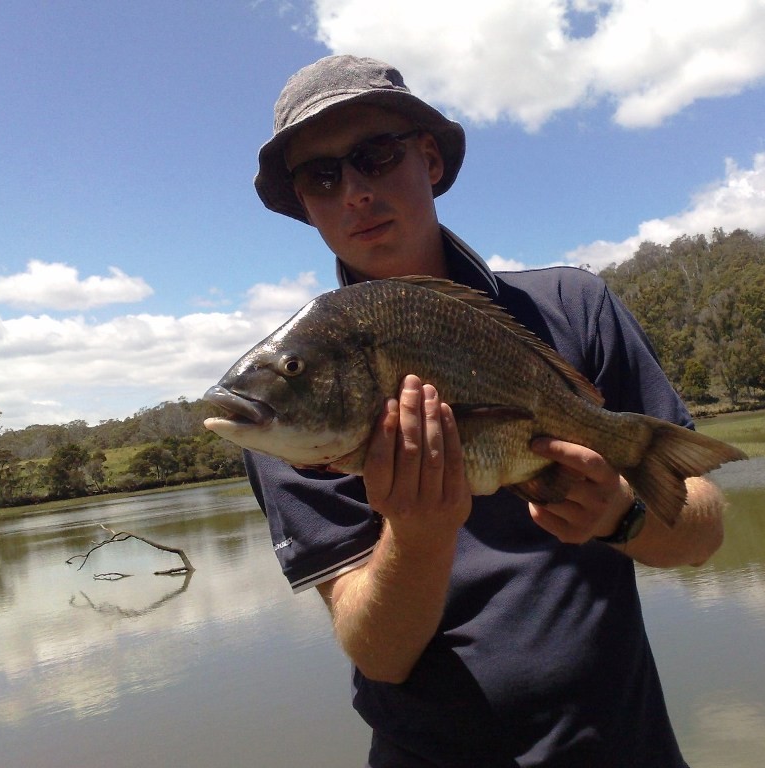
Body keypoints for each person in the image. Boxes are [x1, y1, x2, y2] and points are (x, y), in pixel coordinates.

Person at [245, 54, 727, 768]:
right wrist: (417, 535)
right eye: (321, 176)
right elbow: (376, 653)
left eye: (375, 156)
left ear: (430, 159)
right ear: (305, 203)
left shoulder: (571, 306)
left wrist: (619, 513)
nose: (354, 192)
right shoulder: (293, 396)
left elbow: (703, 532)